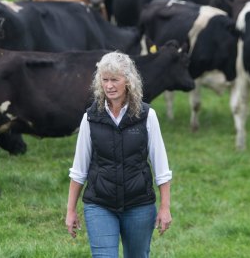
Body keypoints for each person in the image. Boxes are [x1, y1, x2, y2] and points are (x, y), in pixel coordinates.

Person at [65, 51, 173, 258]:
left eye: (115, 79)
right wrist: (70, 211)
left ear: (128, 82)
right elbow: (78, 170)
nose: (109, 86)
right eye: (104, 80)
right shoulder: (90, 118)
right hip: (99, 205)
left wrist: (165, 207)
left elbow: (161, 167)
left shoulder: (147, 115)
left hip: (139, 205)